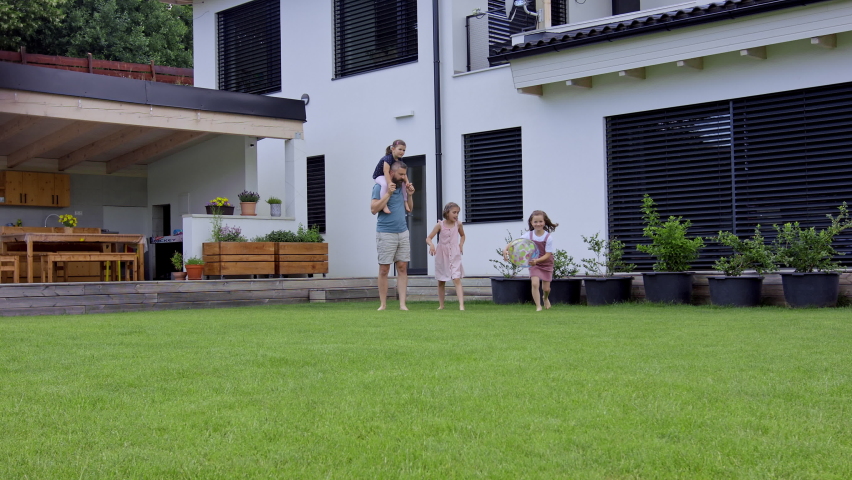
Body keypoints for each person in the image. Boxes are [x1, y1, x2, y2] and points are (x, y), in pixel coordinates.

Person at [371, 160, 416, 310]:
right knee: (384, 269)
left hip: (402, 232)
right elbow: (373, 209)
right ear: (392, 173)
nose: (404, 177)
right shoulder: (379, 187)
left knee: (402, 267)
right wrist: (388, 194)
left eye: (405, 174)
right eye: (401, 174)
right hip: (385, 232)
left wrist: (410, 195)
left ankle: (403, 304)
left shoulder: (403, 187)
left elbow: (409, 208)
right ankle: (383, 304)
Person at [503, 210, 559, 311]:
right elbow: (515, 242)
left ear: (544, 222)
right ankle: (538, 306)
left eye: (540, 221)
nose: (538, 224)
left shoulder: (548, 237)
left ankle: (545, 298)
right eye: (535, 222)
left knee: (546, 289)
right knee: (535, 283)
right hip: (533, 263)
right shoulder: (529, 235)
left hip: (546, 263)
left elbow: (548, 254)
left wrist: (537, 260)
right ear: (531, 223)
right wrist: (506, 249)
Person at [426, 202, 466, 310]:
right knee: (441, 280)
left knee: (456, 278)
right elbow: (428, 238)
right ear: (447, 213)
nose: (456, 215)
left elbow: (462, 235)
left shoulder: (458, 224)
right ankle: (441, 305)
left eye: (457, 212)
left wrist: (461, 245)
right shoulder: (440, 225)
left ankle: (461, 305)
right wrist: (431, 245)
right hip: (442, 254)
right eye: (454, 212)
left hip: (454, 253)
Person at [372, 139, 410, 214]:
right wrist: (389, 183)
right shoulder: (387, 158)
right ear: (393, 149)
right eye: (400, 149)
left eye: (404, 150)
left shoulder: (400, 160)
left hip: (388, 175)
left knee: (403, 184)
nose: (402, 152)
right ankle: (384, 205)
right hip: (380, 175)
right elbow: (385, 171)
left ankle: (405, 201)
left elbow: (403, 173)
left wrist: (407, 182)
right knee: (384, 184)